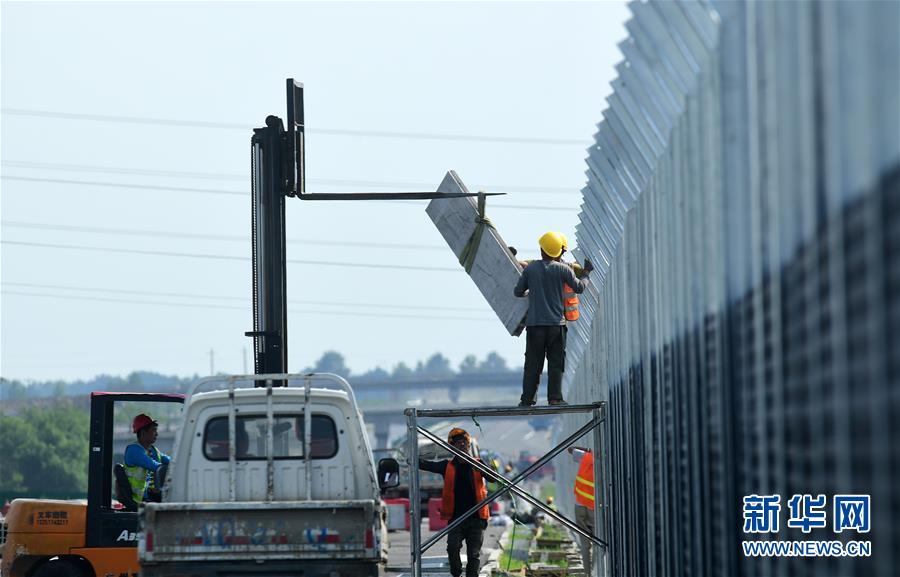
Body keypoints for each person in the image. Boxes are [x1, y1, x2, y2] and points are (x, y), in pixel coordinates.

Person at [514, 231, 593, 406]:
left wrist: (531, 291)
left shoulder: (531, 270)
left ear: (542, 250)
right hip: (556, 326)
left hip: (535, 326)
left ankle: (527, 400)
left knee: (533, 364)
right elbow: (579, 288)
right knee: (556, 363)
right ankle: (555, 398)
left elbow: (518, 292)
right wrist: (586, 272)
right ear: (559, 252)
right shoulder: (564, 269)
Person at [419, 428, 489, 577]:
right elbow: (426, 465)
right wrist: (414, 459)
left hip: (477, 519)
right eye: (458, 443)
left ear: (469, 446)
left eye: (464, 442)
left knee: (473, 554)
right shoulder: (447, 466)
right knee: (452, 547)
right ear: (452, 447)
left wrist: (485, 467)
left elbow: (493, 478)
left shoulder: (478, 464)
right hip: (456, 518)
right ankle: (456, 574)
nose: (462, 445)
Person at [123, 413, 171, 505]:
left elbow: (171, 461)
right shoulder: (134, 450)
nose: (157, 434)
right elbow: (155, 466)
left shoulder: (153, 450)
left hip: (149, 496)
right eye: (153, 430)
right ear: (143, 432)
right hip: (139, 499)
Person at [569, 446, 597, 572]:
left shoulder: (586, 457)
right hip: (594, 508)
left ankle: (588, 573)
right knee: (598, 543)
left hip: (579, 506)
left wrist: (587, 450)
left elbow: (570, 449)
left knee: (585, 545)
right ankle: (597, 571)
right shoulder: (604, 460)